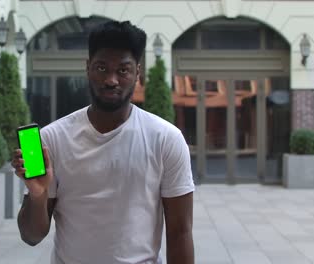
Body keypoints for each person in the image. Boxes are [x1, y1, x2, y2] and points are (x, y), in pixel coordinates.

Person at [12, 20, 195, 264]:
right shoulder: (52, 139)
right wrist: (38, 195)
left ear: (137, 73)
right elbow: (31, 236)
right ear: (87, 68)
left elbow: (180, 231)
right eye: (101, 68)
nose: (111, 80)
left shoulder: (165, 139)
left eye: (123, 70)